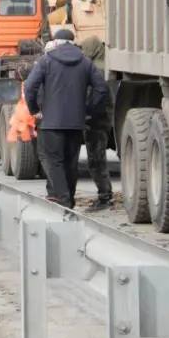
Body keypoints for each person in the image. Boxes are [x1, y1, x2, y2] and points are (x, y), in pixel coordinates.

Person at [23, 28, 107, 209]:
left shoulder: (46, 60)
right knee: (71, 163)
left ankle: (64, 201)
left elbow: (29, 86)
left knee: (54, 162)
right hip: (76, 123)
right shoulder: (85, 62)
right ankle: (68, 199)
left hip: (50, 124)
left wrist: (34, 109)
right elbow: (101, 88)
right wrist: (88, 109)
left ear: (55, 42)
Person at [80, 36, 114, 211]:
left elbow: (94, 94)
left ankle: (104, 197)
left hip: (96, 120)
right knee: (97, 158)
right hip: (104, 118)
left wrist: (87, 112)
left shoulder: (94, 69)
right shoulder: (104, 65)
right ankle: (105, 194)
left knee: (96, 160)